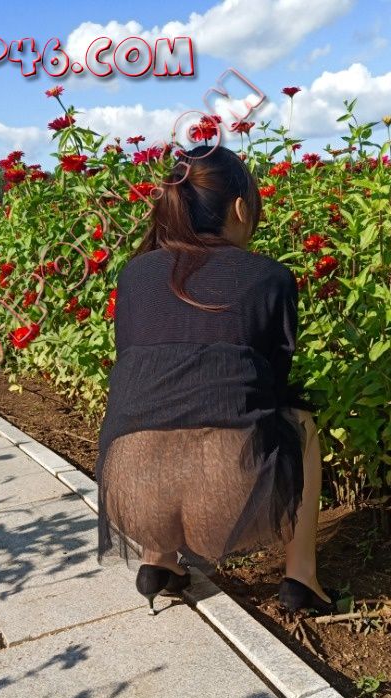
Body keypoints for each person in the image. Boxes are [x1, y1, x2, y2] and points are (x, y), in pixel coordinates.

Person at [94, 143, 339, 615]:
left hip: (130, 496)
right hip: (227, 500)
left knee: (153, 403)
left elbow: (135, 374)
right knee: (300, 423)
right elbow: (268, 392)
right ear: (241, 208)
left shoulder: (135, 275)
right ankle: (301, 578)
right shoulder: (269, 278)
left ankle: (158, 561)